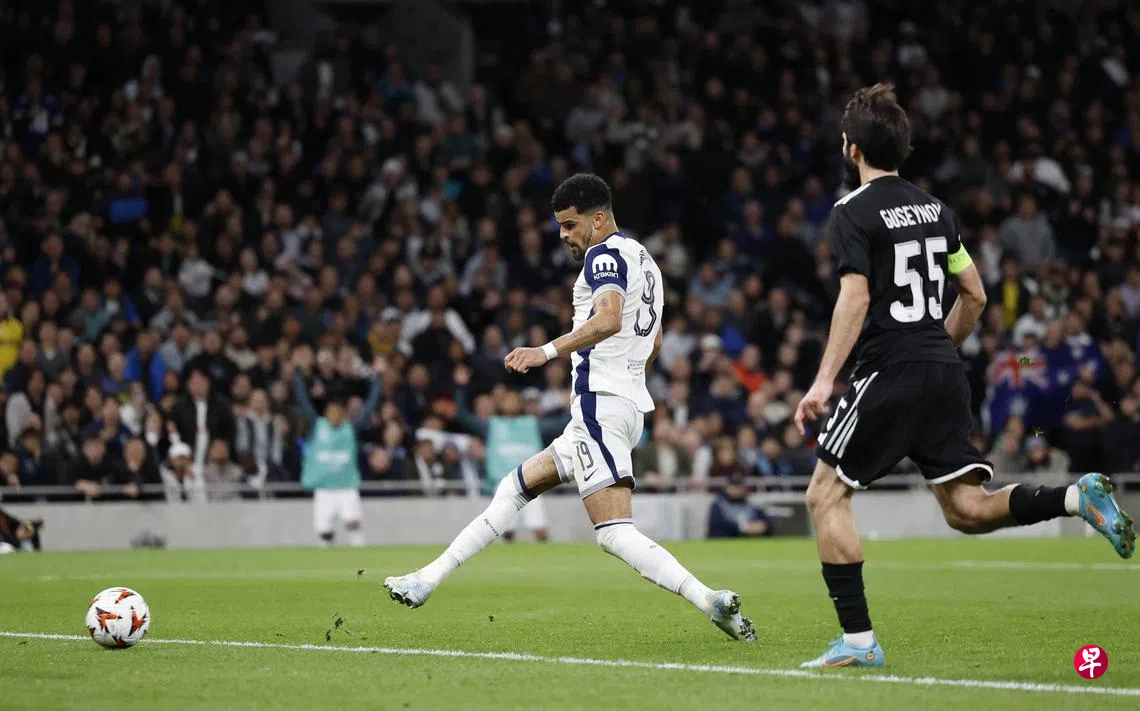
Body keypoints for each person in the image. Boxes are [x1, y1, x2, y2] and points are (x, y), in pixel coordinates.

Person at [793, 83, 1136, 670]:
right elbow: (974, 295)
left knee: (825, 495)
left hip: (890, 368)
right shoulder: (937, 212)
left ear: (852, 149)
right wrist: (936, 351)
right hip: (943, 370)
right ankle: (1075, 496)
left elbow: (855, 296)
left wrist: (825, 380)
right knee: (966, 508)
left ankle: (858, 642)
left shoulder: (851, 212)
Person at [385, 173, 755, 642]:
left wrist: (546, 351)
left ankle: (709, 600)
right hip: (620, 407)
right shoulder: (645, 260)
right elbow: (655, 339)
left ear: (598, 219)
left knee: (613, 532)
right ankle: (426, 579)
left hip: (601, 406)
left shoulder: (604, 256)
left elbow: (609, 318)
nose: (563, 235)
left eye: (569, 224)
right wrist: (626, 380)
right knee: (514, 488)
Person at [291, 349, 384, 547]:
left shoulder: (350, 428)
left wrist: (378, 378)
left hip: (346, 488)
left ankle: (360, 559)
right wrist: (298, 373)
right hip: (323, 489)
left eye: (338, 411)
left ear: (342, 413)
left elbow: (370, 406)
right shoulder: (317, 426)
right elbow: (302, 400)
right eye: (331, 411)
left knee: (354, 527)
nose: (334, 415)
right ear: (326, 413)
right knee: (324, 533)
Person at [707, 473, 774, 538]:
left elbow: (765, 519)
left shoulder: (749, 505)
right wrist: (742, 528)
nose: (737, 490)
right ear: (726, 487)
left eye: (739, 487)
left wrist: (763, 525)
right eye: (734, 487)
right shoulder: (718, 505)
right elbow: (717, 525)